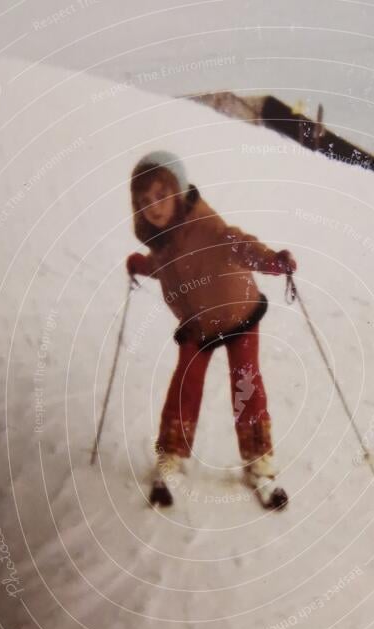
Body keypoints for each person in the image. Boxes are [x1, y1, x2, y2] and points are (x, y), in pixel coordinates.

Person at [126, 151, 296, 510]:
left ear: (179, 191)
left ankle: (260, 463)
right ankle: (171, 454)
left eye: (161, 195)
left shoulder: (206, 226)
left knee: (245, 382)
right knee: (185, 382)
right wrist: (141, 264)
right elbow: (164, 268)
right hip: (197, 324)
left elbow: (239, 245)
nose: (153, 207)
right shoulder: (162, 240)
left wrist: (270, 261)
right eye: (144, 201)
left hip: (238, 314)